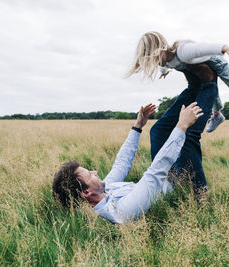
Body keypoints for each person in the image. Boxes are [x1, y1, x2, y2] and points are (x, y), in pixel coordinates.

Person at [53, 64, 218, 224]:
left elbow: (121, 164)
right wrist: (181, 125)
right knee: (188, 136)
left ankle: (194, 86)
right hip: (176, 181)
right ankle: (209, 82)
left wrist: (137, 127)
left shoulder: (103, 191)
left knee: (157, 131)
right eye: (89, 175)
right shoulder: (123, 210)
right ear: (86, 193)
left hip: (165, 176)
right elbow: (155, 172)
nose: (95, 171)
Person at [126, 31, 229, 135]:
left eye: (155, 58)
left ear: (162, 49)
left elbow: (203, 48)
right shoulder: (164, 61)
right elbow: (163, 65)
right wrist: (163, 72)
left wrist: (225, 48)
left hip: (217, 62)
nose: (156, 63)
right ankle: (217, 115)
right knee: (209, 92)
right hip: (203, 71)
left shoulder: (183, 51)